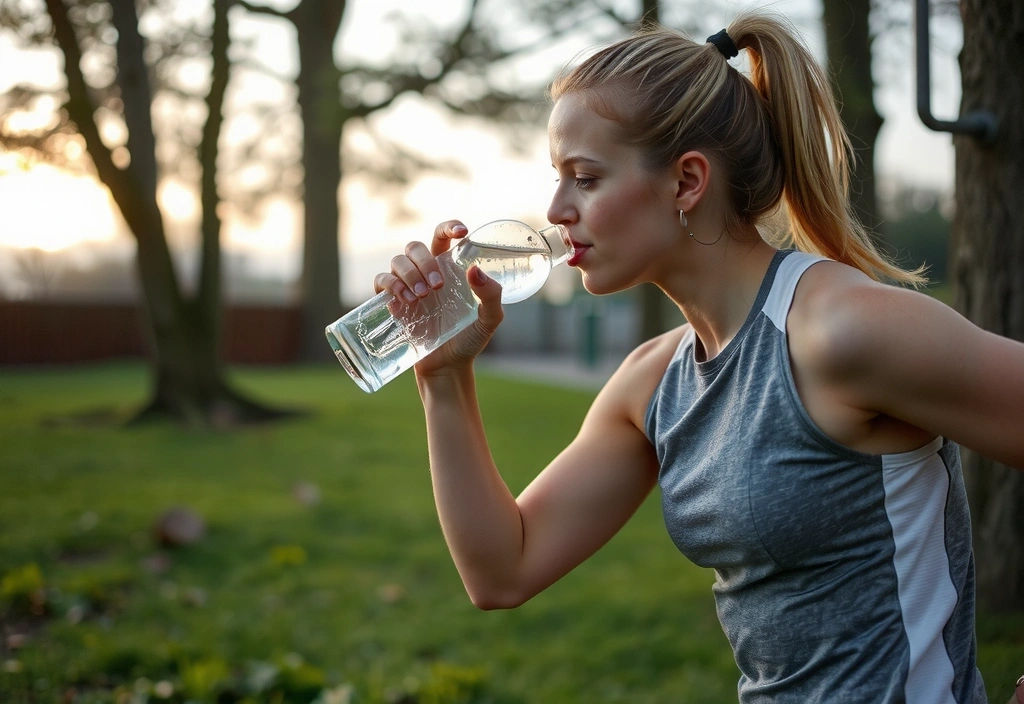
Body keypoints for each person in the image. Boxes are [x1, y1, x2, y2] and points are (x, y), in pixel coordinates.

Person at [371, 12, 1024, 704]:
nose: (556, 208)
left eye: (585, 178)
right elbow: (503, 570)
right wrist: (444, 376)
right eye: (558, 178)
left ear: (686, 183)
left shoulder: (842, 330)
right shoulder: (651, 384)